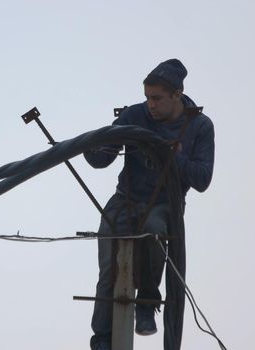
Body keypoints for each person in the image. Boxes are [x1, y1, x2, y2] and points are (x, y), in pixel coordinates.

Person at [84, 59, 215, 350]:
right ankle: (102, 339)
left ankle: (146, 302)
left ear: (177, 95)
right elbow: (101, 158)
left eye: (157, 98)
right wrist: (92, 146)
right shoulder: (135, 116)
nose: (150, 105)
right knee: (109, 267)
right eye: (147, 98)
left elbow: (203, 179)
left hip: (165, 204)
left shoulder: (199, 126)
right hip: (125, 200)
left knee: (154, 232)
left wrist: (175, 157)